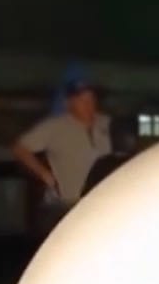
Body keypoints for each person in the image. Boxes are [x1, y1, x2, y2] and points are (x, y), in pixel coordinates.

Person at [12, 77, 113, 217]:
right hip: (73, 206)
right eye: (82, 100)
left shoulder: (108, 123)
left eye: (91, 99)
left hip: (109, 203)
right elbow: (20, 148)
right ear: (69, 103)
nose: (88, 104)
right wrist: (44, 174)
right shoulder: (54, 127)